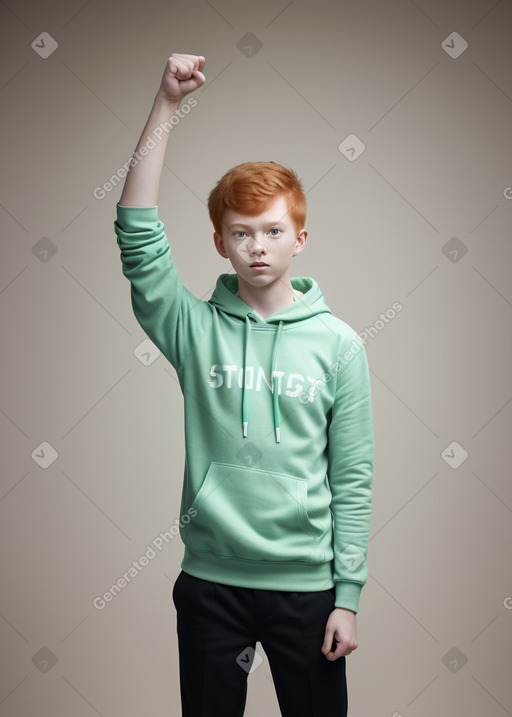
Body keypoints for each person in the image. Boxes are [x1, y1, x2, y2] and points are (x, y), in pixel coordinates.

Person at [114, 53, 374, 717]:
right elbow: (137, 231)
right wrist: (167, 105)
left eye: (273, 231)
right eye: (241, 233)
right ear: (220, 243)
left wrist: (347, 595)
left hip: (308, 589)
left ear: (300, 238)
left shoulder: (339, 345)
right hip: (211, 584)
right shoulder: (192, 328)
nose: (257, 246)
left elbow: (353, 476)